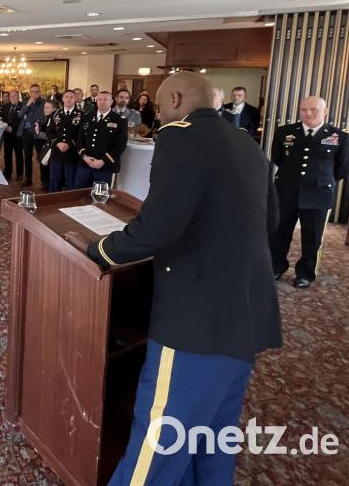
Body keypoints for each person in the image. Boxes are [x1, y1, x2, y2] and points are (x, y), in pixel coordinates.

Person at [82, 71, 281, 486]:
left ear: (174, 99)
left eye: (158, 106)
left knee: (159, 441)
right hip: (245, 314)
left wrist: (99, 249)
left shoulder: (180, 137)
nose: (158, 114)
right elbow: (272, 221)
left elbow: (158, 228)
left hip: (195, 321)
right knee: (212, 436)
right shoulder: (245, 141)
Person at [269, 96, 349, 289]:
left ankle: (305, 273)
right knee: (279, 233)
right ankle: (276, 267)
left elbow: (345, 166)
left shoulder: (339, 136)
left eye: (313, 109)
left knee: (313, 237)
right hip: (286, 191)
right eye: (303, 109)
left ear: (325, 111)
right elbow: (278, 158)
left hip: (319, 194)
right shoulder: (285, 132)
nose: (308, 113)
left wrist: (322, 180)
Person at [74, 91, 128, 189]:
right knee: (80, 192)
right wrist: (84, 156)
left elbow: (120, 145)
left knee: (100, 195)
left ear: (111, 102)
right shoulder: (87, 117)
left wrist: (103, 161)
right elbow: (80, 139)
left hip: (105, 166)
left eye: (105, 99)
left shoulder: (120, 120)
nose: (102, 102)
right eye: (100, 99)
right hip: (85, 163)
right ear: (96, 101)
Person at [46, 90, 82, 192]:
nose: (69, 99)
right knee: (55, 183)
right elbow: (49, 131)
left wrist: (69, 144)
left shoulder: (81, 115)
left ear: (75, 99)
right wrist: (57, 143)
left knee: (71, 184)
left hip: (72, 154)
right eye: (66, 97)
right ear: (62, 99)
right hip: (56, 154)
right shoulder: (55, 114)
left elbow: (82, 134)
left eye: (71, 97)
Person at [15, 85, 47, 188]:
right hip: (26, 133)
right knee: (27, 156)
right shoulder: (26, 102)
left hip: (37, 133)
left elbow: (44, 117)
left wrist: (32, 120)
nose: (34, 93)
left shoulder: (44, 103)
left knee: (41, 157)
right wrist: (27, 106)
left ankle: (44, 181)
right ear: (30, 93)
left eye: (36, 91)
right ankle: (28, 179)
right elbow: (20, 115)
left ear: (40, 92)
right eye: (32, 91)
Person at [0, 90, 24, 182]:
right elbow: (3, 119)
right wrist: (6, 126)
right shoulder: (6, 106)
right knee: (7, 154)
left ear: (18, 96)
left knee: (19, 154)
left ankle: (19, 174)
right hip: (7, 134)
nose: (13, 98)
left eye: (15, 96)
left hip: (17, 134)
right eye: (11, 96)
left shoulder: (23, 106)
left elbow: (22, 121)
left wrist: (12, 128)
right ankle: (7, 173)